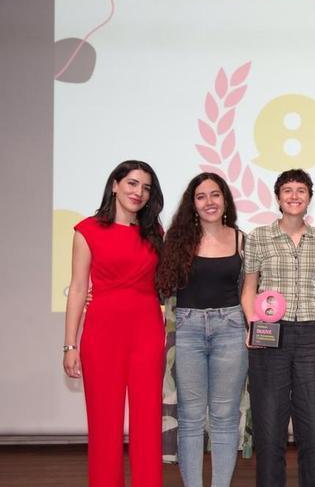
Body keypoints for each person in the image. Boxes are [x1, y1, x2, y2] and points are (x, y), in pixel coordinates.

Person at [62, 160, 166, 487]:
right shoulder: (87, 230)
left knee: (147, 422)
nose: (139, 192)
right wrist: (70, 344)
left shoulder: (155, 234)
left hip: (147, 331)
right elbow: (78, 288)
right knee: (104, 422)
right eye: (133, 184)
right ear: (115, 185)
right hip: (102, 332)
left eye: (146, 188)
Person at [240, 169, 315, 487]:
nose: (294, 196)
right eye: (288, 190)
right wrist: (252, 324)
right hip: (270, 335)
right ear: (278, 197)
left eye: (301, 190)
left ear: (309, 197)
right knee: (269, 431)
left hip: (313, 335)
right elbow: (249, 288)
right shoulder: (258, 237)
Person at [156, 173, 248, 487]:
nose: (209, 202)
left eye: (215, 195)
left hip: (232, 330)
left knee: (224, 418)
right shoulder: (177, 240)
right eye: (201, 196)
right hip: (188, 330)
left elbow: (250, 291)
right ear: (193, 204)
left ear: (225, 200)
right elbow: (155, 285)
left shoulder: (241, 239)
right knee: (191, 418)